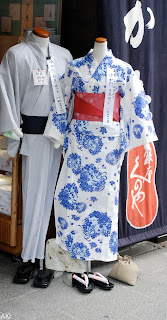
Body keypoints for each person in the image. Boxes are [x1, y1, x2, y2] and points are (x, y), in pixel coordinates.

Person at [44, 37, 158, 292]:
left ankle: (93, 260)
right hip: (78, 139)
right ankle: (76, 258)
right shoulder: (74, 67)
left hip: (108, 143)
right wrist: (58, 133)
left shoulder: (122, 69)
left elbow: (134, 105)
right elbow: (62, 101)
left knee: (103, 199)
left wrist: (136, 138)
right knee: (71, 195)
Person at [0, 28, 72, 288]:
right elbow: (7, 94)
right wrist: (14, 131)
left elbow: (70, 95)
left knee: (51, 196)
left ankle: (42, 256)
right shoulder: (16, 55)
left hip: (57, 137)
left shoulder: (64, 56)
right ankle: (30, 256)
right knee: (32, 197)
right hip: (32, 134)